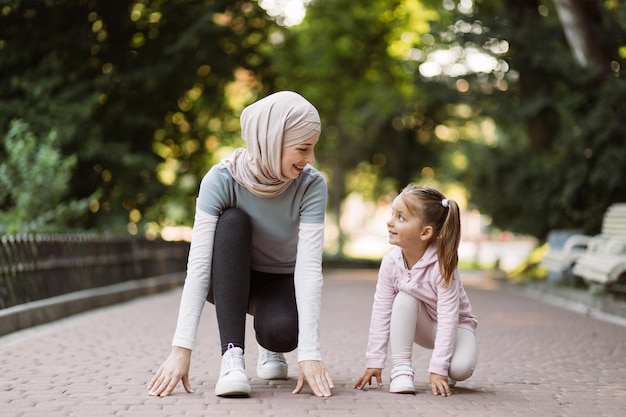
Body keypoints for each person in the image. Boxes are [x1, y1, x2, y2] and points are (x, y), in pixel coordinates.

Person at [148, 91, 334, 398]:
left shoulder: (312, 184)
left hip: (279, 278)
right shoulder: (221, 179)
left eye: (313, 149)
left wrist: (309, 354)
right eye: (303, 149)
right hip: (227, 275)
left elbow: (310, 268)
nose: (310, 159)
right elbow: (198, 265)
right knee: (233, 220)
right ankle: (232, 358)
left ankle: (269, 345)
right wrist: (181, 350)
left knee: (283, 333)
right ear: (272, 140)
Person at [354, 184, 478, 396]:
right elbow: (381, 312)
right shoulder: (391, 263)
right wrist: (375, 361)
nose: (389, 221)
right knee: (404, 298)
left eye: (400, 217)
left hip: (456, 328)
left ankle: (448, 366)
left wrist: (438, 369)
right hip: (422, 325)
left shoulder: (443, 266)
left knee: (459, 369)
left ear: (425, 232)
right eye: (392, 214)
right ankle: (401, 369)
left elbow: (449, 318)